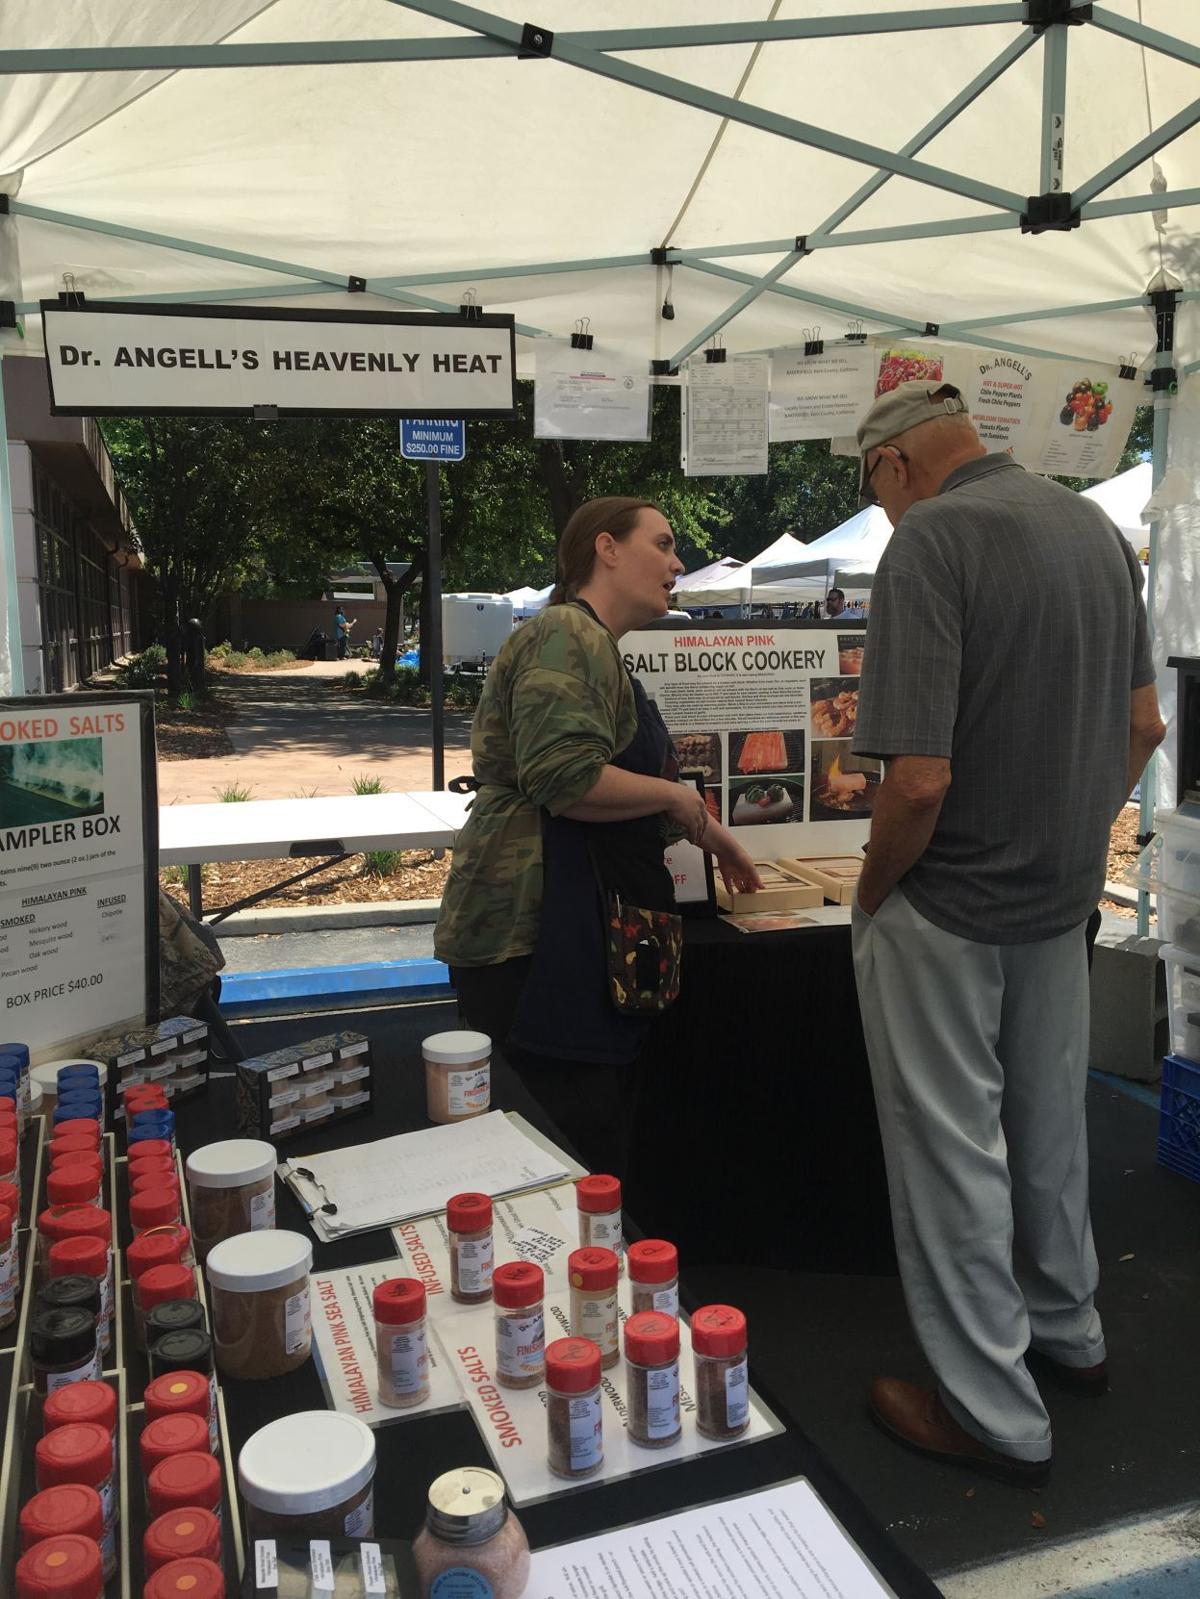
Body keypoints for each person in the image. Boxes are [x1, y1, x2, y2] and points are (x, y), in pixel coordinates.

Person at [849, 380, 1164, 1486]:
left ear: (891, 466)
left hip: (948, 899)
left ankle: (991, 1409)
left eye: (875, 494)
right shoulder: (1091, 528)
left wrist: (875, 890)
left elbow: (919, 779)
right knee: (1048, 1129)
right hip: (1058, 894)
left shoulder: (932, 543)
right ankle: (1069, 1335)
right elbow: (1144, 725)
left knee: (951, 1153)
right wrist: (1075, 833)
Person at [435, 497, 762, 1174]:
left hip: (571, 928)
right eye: (664, 544)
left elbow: (612, 781)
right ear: (606, 548)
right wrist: (678, 796)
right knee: (556, 1151)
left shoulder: (596, 649)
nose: (677, 564)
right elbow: (566, 778)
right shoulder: (568, 634)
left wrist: (715, 836)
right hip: (537, 936)